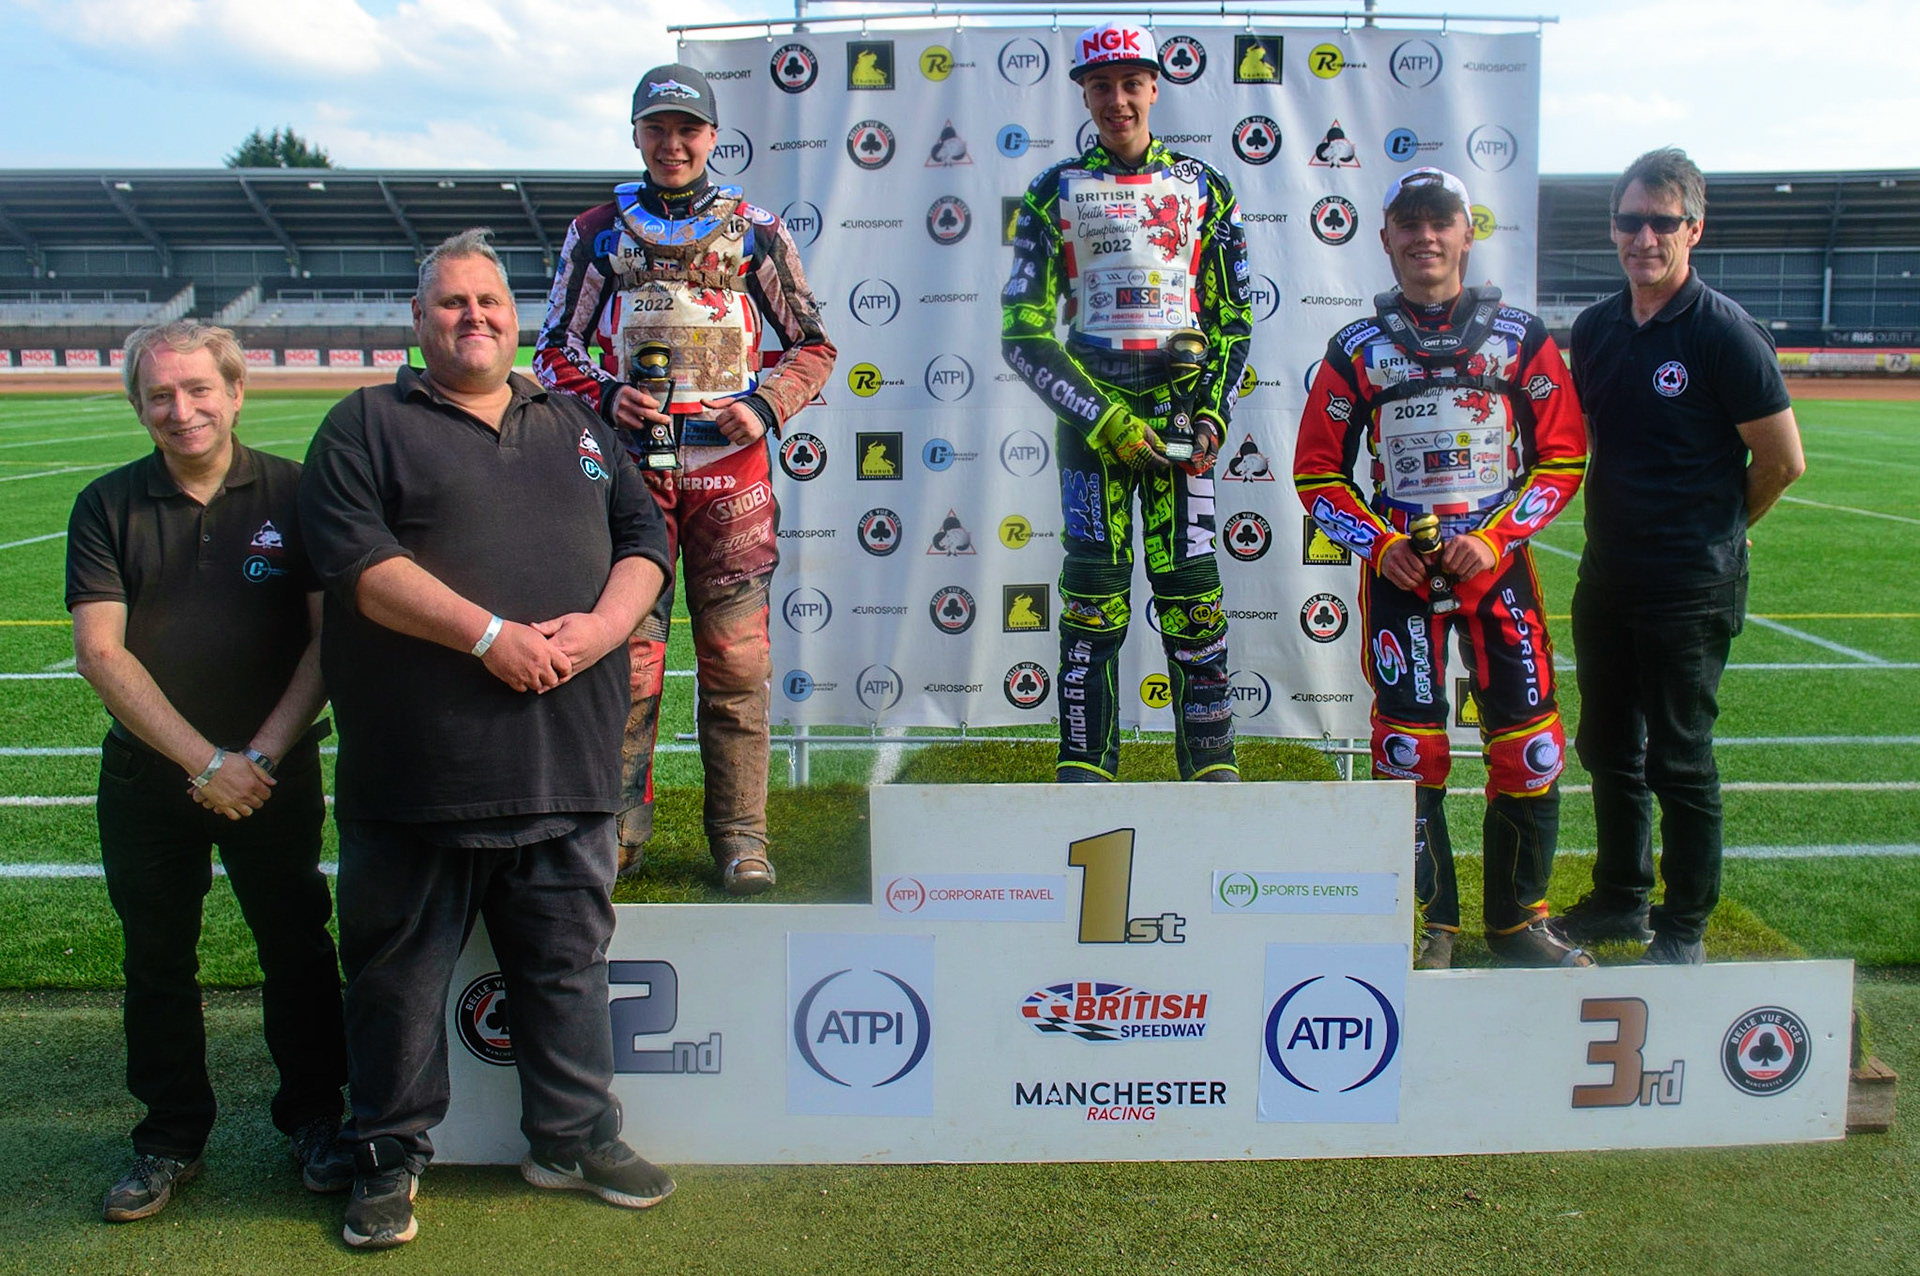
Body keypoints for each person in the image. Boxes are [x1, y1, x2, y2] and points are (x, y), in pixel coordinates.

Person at [300, 230, 674, 1248]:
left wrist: (599, 629)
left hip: (567, 760)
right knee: (398, 977)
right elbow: (360, 567)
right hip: (420, 774)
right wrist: (489, 637)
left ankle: (573, 1135)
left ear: (518, 318)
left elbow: (646, 542)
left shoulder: (580, 424)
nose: (475, 317)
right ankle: (386, 1157)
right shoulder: (365, 425)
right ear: (418, 324)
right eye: (453, 304)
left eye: (491, 302)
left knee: (567, 966)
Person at [66, 320, 347, 1221]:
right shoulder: (106, 504)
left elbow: (325, 639)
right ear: (140, 405)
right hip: (152, 783)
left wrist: (256, 757)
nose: (180, 410)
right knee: (156, 960)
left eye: (197, 390)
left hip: (275, 774)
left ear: (234, 393)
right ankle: (168, 1137)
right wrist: (205, 763)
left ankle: (315, 1119)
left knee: (298, 949)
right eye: (160, 395)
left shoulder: (299, 494)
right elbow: (100, 655)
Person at [536, 62, 835, 892]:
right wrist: (606, 394)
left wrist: (766, 407)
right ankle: (620, 836)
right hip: (629, 486)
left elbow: (814, 343)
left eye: (688, 129)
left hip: (730, 479)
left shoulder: (757, 228)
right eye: (657, 128)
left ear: (712, 136)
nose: (673, 144)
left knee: (736, 664)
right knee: (628, 663)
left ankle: (741, 837)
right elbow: (552, 349)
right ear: (636, 133)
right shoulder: (598, 229)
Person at [1293, 169, 1589, 969]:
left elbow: (1563, 456)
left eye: (1441, 222)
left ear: (1467, 234)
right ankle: (1436, 926)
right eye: (1409, 223)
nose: (1426, 237)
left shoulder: (1521, 337)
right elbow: (1318, 474)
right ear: (1385, 237)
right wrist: (1380, 544)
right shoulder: (1355, 349)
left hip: (1497, 571)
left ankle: (1517, 923)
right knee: (1407, 753)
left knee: (1528, 747)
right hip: (1403, 578)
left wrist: (1495, 539)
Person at [1550, 148, 1804, 965]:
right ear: (1614, 228)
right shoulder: (1594, 329)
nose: (1645, 237)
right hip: (1609, 574)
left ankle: (1685, 922)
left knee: (1680, 756)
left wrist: (1725, 530)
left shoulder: (1725, 332)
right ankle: (1623, 897)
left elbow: (1782, 461)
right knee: (1606, 747)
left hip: (1689, 586)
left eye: (1663, 221)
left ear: (1694, 228)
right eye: (1631, 221)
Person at [1002, 22, 1252, 782]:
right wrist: (1104, 420)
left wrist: (1210, 413)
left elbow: (1233, 319)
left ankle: (1212, 767)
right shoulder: (1053, 192)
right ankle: (1085, 769)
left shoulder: (1206, 187)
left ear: (1155, 85)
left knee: (1194, 600)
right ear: (1083, 90)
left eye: (1131, 82)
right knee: (1092, 604)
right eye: (1102, 85)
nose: (1118, 99)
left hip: (1182, 421)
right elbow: (1023, 332)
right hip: (1094, 425)